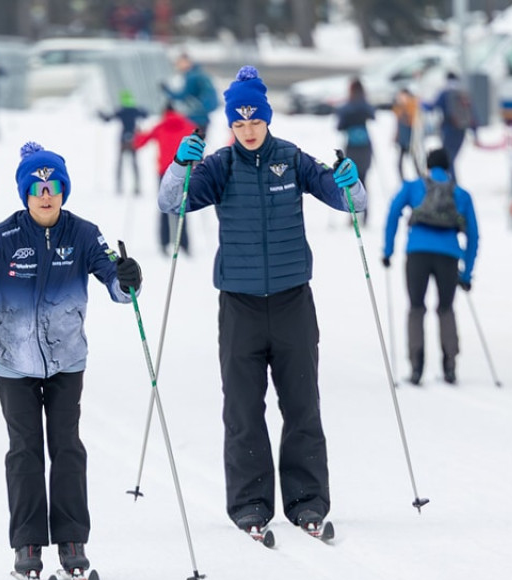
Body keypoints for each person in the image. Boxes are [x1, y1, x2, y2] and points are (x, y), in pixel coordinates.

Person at [157, 66, 366, 537]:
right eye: (238, 123)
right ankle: (251, 504)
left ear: (267, 119)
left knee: (302, 405)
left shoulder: (291, 160)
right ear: (230, 125)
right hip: (240, 306)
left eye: (255, 122)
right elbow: (172, 203)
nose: (248, 130)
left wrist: (350, 180)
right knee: (244, 410)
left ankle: (307, 501)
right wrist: (179, 165)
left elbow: (352, 204)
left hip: (293, 301)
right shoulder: (219, 166)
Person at [0, 142, 143, 579]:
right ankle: (28, 545)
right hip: (14, 364)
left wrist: (128, 279)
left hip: (66, 361)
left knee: (67, 447)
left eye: (53, 185)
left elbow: (117, 284)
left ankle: (72, 540)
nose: (45, 194)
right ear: (25, 193)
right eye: (36, 187)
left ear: (63, 190)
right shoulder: (3, 236)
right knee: (25, 452)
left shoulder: (84, 233)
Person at [382, 148, 479, 385]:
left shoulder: (414, 187)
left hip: (418, 253)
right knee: (446, 308)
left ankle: (416, 367)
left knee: (416, 307)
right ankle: (450, 366)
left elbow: (393, 213)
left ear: (427, 165)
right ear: (448, 167)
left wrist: (388, 250)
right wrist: (466, 272)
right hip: (449, 255)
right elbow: (474, 235)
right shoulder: (461, 194)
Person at [133, 102, 195, 255]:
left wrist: (138, 133)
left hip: (164, 173)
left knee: (164, 207)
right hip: (183, 171)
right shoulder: (187, 125)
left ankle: (164, 242)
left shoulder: (160, 126)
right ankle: (184, 243)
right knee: (182, 207)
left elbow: (139, 143)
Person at [335, 78, 375, 221]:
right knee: (364, 180)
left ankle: (353, 214)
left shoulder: (347, 107)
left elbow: (339, 126)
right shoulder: (365, 105)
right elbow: (373, 115)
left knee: (351, 181)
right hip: (365, 147)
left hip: (351, 147)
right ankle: (366, 213)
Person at [424, 72, 476, 182]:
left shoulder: (445, 93)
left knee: (448, 158)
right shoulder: (463, 93)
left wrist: (421, 104)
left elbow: (432, 107)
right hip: (461, 130)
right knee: (452, 158)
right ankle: (452, 183)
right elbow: (472, 114)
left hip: (448, 129)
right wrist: (475, 132)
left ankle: (452, 183)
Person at [99, 90, 148, 195]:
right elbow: (145, 115)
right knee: (134, 163)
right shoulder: (135, 110)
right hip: (134, 139)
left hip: (123, 140)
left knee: (120, 163)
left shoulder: (121, 111)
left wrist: (101, 115)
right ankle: (137, 186)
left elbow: (108, 118)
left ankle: (119, 186)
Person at [160, 53, 218, 136]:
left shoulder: (191, 76)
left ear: (187, 62)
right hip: (203, 117)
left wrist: (167, 90)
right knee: (198, 144)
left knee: (193, 144)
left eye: (179, 63)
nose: (177, 66)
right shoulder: (200, 73)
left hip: (195, 118)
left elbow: (183, 95)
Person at [392, 86, 421, 181]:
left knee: (414, 159)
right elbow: (397, 120)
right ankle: (402, 179)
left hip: (410, 137)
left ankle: (420, 177)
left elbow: (412, 120)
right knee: (400, 161)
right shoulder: (400, 107)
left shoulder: (411, 105)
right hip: (402, 137)